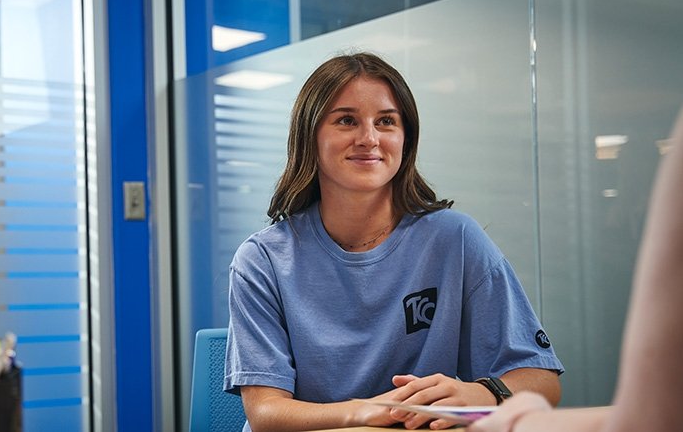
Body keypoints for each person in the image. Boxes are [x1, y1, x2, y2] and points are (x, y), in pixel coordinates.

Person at [224, 51, 564, 432]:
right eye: (346, 120)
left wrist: (483, 393)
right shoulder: (262, 259)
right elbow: (266, 413)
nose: (369, 138)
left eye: (386, 121)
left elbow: (542, 381)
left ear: (405, 139)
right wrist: (367, 410)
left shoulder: (457, 240)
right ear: (310, 136)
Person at [468, 107, 683, 432]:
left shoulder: (459, 237)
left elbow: (650, 419)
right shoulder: (616, 213)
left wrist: (521, 420)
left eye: (386, 121)